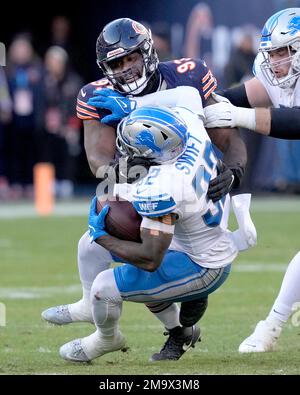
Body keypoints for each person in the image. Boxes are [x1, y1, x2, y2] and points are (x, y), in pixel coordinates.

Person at [42, 18, 247, 361]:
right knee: (94, 244)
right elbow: (99, 162)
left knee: (142, 258)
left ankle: (176, 311)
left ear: (148, 51)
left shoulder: (187, 77)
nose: (126, 69)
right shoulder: (98, 96)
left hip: (189, 198)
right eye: (116, 63)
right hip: (149, 184)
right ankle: (160, 324)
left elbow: (226, 133)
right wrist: (120, 174)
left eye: (131, 58)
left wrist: (236, 172)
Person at [59, 98, 256, 362]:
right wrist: (135, 108)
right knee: (88, 246)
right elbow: (182, 96)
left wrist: (103, 236)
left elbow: (150, 259)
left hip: (203, 262)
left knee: (104, 286)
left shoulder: (164, 186)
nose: (127, 152)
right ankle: (95, 307)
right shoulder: (189, 125)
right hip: (192, 232)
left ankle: (105, 339)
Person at [204, 8, 300, 352]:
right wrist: (193, 108)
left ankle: (271, 325)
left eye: (283, 51)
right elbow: (239, 96)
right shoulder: (271, 74)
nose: (276, 61)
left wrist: (240, 117)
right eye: (271, 53)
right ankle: (272, 325)